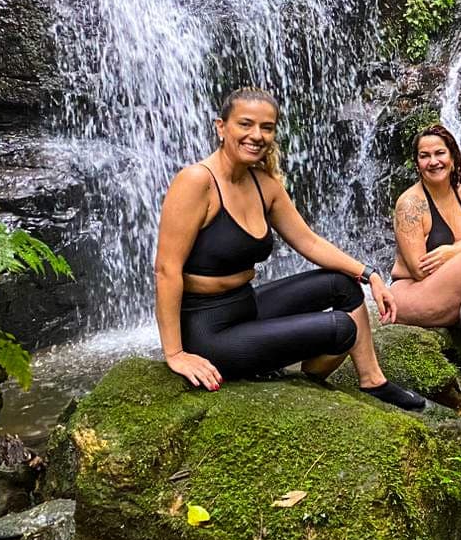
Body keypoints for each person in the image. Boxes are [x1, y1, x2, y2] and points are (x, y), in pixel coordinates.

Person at [154, 86, 425, 410]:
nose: (256, 135)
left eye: (266, 127)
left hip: (245, 307)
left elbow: (308, 241)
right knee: (342, 327)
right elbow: (166, 269)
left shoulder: (263, 184)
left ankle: (372, 380)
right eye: (245, 124)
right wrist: (175, 353)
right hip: (207, 329)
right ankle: (297, 373)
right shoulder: (197, 181)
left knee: (342, 286)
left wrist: (370, 275)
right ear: (221, 127)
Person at [388, 124, 461, 327]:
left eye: (440, 153)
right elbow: (420, 270)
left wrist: (452, 252)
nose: (433, 161)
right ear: (417, 164)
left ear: (452, 159)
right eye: (424, 156)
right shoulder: (411, 204)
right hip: (412, 292)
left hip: (455, 289)